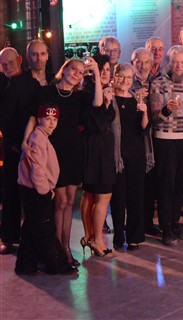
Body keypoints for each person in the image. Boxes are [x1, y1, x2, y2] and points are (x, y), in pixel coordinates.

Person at [27, 58, 103, 266]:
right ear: (64, 69)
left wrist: (96, 73)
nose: (76, 74)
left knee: (69, 201)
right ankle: (56, 250)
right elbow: (33, 117)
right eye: (73, 69)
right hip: (53, 152)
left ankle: (66, 248)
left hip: (74, 152)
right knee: (59, 202)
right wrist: (26, 142)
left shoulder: (79, 97)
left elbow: (98, 103)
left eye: (81, 72)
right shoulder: (46, 92)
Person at [15, 104, 77, 275]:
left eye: (54, 120)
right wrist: (44, 191)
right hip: (36, 191)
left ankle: (25, 265)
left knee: (31, 227)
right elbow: (37, 170)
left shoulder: (41, 136)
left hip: (33, 189)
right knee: (45, 229)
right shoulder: (38, 138)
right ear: (39, 119)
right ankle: (58, 265)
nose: (51, 123)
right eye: (47, 119)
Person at [149, 45, 183, 246]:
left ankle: (176, 223)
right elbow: (155, 118)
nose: (178, 66)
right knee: (166, 185)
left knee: (179, 185)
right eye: (175, 62)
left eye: (182, 62)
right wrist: (167, 110)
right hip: (165, 139)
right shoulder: (158, 83)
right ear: (168, 62)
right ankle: (166, 228)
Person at [0, 47, 41, 254]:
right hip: (9, 146)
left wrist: (24, 142)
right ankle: (8, 237)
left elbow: (33, 115)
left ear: (19, 59)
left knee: (30, 194)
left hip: (27, 146)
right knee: (9, 192)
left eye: (10, 62)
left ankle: (31, 240)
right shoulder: (2, 83)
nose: (7, 67)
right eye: (3, 64)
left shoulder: (31, 85)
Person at [110, 64, 150, 250]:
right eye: (121, 76)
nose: (125, 80)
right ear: (115, 76)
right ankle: (118, 237)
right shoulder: (110, 98)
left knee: (136, 196)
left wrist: (145, 112)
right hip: (117, 155)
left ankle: (135, 236)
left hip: (136, 154)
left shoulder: (136, 99)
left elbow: (144, 128)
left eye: (129, 77)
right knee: (118, 198)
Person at [80, 54, 117, 257]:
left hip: (102, 148)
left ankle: (89, 236)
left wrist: (108, 100)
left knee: (92, 194)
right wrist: (105, 98)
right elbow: (97, 109)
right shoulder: (89, 92)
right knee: (101, 195)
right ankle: (97, 240)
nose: (105, 73)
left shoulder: (103, 92)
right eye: (100, 69)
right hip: (95, 149)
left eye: (107, 70)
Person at [130, 48, 157, 235]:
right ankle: (135, 224)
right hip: (134, 138)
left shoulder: (156, 82)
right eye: (138, 61)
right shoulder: (127, 82)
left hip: (153, 139)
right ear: (133, 63)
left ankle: (148, 222)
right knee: (135, 186)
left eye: (147, 62)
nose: (143, 66)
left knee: (151, 185)